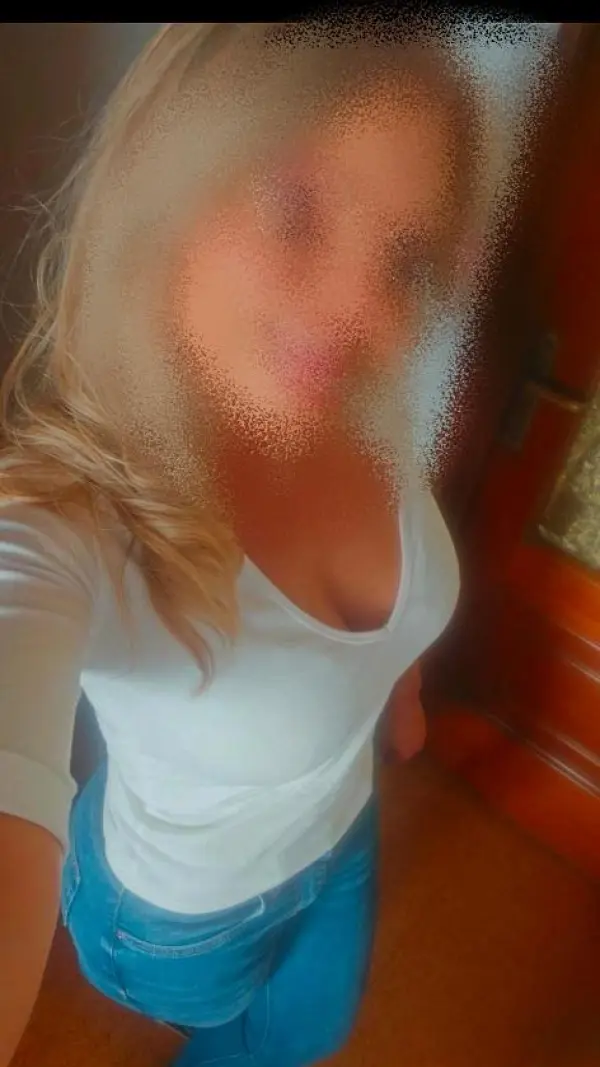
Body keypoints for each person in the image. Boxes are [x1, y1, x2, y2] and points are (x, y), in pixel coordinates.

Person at [0, 19, 481, 1067]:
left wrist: (397, 693)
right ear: (165, 175)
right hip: (178, 918)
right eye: (294, 204)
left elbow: (385, 627)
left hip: (341, 829)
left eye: (405, 260)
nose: (363, 309)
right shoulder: (64, 522)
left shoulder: (363, 403)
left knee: (307, 1035)